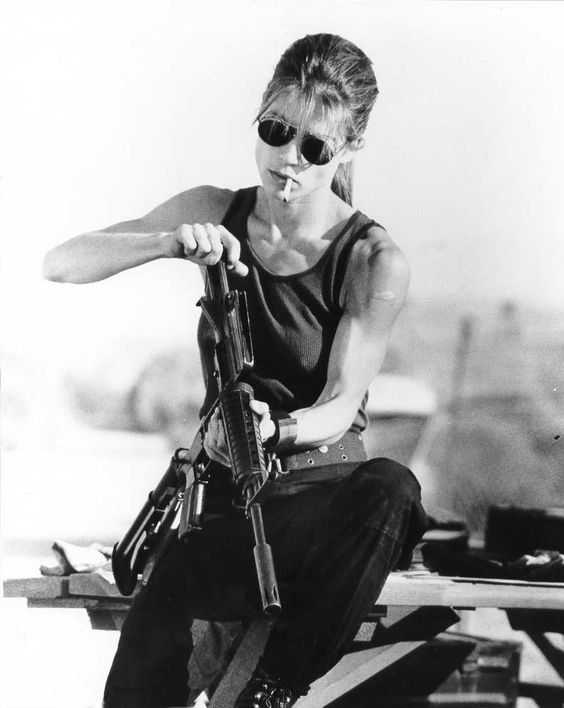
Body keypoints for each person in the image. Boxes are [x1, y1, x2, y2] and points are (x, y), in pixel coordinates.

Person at [44, 33, 428, 708]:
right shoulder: (216, 208)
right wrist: (167, 242)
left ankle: (271, 689)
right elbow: (60, 264)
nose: (289, 158)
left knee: (392, 488)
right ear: (259, 118)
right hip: (225, 514)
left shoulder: (372, 258)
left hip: (320, 515)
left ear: (350, 148)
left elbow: (342, 404)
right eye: (277, 131)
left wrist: (275, 429)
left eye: (315, 147)